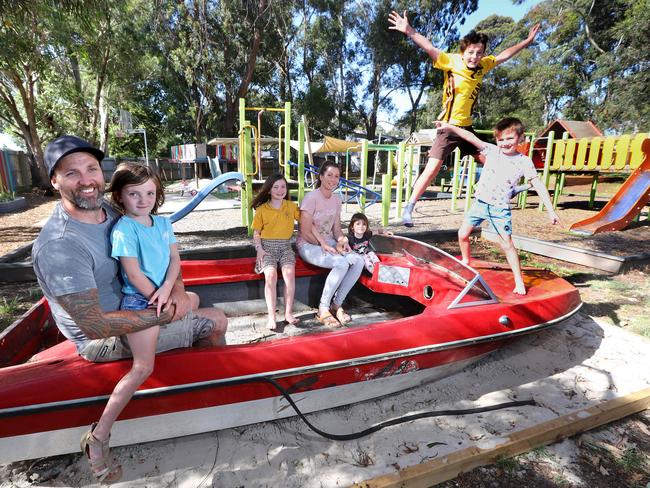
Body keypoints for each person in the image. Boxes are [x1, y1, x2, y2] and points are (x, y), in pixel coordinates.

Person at [32, 136, 228, 483]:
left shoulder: (105, 209)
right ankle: (100, 437)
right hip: (101, 335)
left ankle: (189, 377)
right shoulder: (61, 245)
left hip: (137, 304)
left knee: (194, 299)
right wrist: (166, 312)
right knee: (215, 320)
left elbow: (168, 256)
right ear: (55, 181)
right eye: (72, 173)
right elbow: (94, 326)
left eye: (91, 169)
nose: (87, 180)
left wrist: (177, 291)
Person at [388, 10, 540, 227]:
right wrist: (409, 30)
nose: (474, 57)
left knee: (491, 158)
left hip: (467, 128)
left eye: (479, 53)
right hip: (448, 128)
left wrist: (527, 41)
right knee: (432, 169)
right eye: (470, 52)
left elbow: (504, 55)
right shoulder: (451, 61)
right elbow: (429, 47)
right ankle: (408, 208)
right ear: (463, 51)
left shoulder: (483, 66)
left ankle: (508, 188)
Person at [434, 118, 560, 295]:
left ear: (520, 138)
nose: (505, 143)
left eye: (509, 139)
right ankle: (467, 260)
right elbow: (469, 136)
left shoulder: (524, 162)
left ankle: (519, 281)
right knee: (462, 234)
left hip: (499, 209)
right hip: (480, 203)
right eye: (501, 140)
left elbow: (538, 185)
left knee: (506, 244)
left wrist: (551, 210)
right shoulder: (492, 151)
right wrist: (449, 127)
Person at [297, 161, 364, 327]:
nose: (333, 179)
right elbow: (305, 231)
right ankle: (323, 308)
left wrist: (343, 241)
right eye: (329, 175)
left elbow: (336, 230)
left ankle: (337, 305)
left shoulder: (336, 200)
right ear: (321, 177)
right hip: (308, 245)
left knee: (358, 261)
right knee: (341, 262)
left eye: (336, 176)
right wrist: (326, 247)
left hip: (329, 244)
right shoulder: (310, 198)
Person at [251, 173, 301, 330]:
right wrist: (259, 250)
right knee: (271, 275)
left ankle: (288, 313)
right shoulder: (262, 210)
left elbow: (306, 220)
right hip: (267, 247)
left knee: (288, 273)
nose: (280, 190)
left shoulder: (291, 207)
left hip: (285, 246)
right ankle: (271, 316)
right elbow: (256, 233)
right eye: (276, 187)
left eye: (283, 186)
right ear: (269, 190)